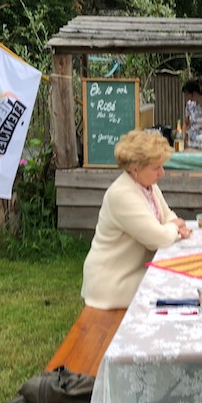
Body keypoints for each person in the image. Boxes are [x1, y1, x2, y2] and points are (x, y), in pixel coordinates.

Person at [82, 129, 192, 309]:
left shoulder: (147, 185)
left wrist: (170, 226)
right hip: (112, 283)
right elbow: (158, 239)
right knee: (178, 287)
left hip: (134, 272)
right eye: (156, 167)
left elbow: (168, 215)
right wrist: (172, 228)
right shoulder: (121, 194)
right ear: (135, 168)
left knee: (181, 280)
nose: (162, 173)